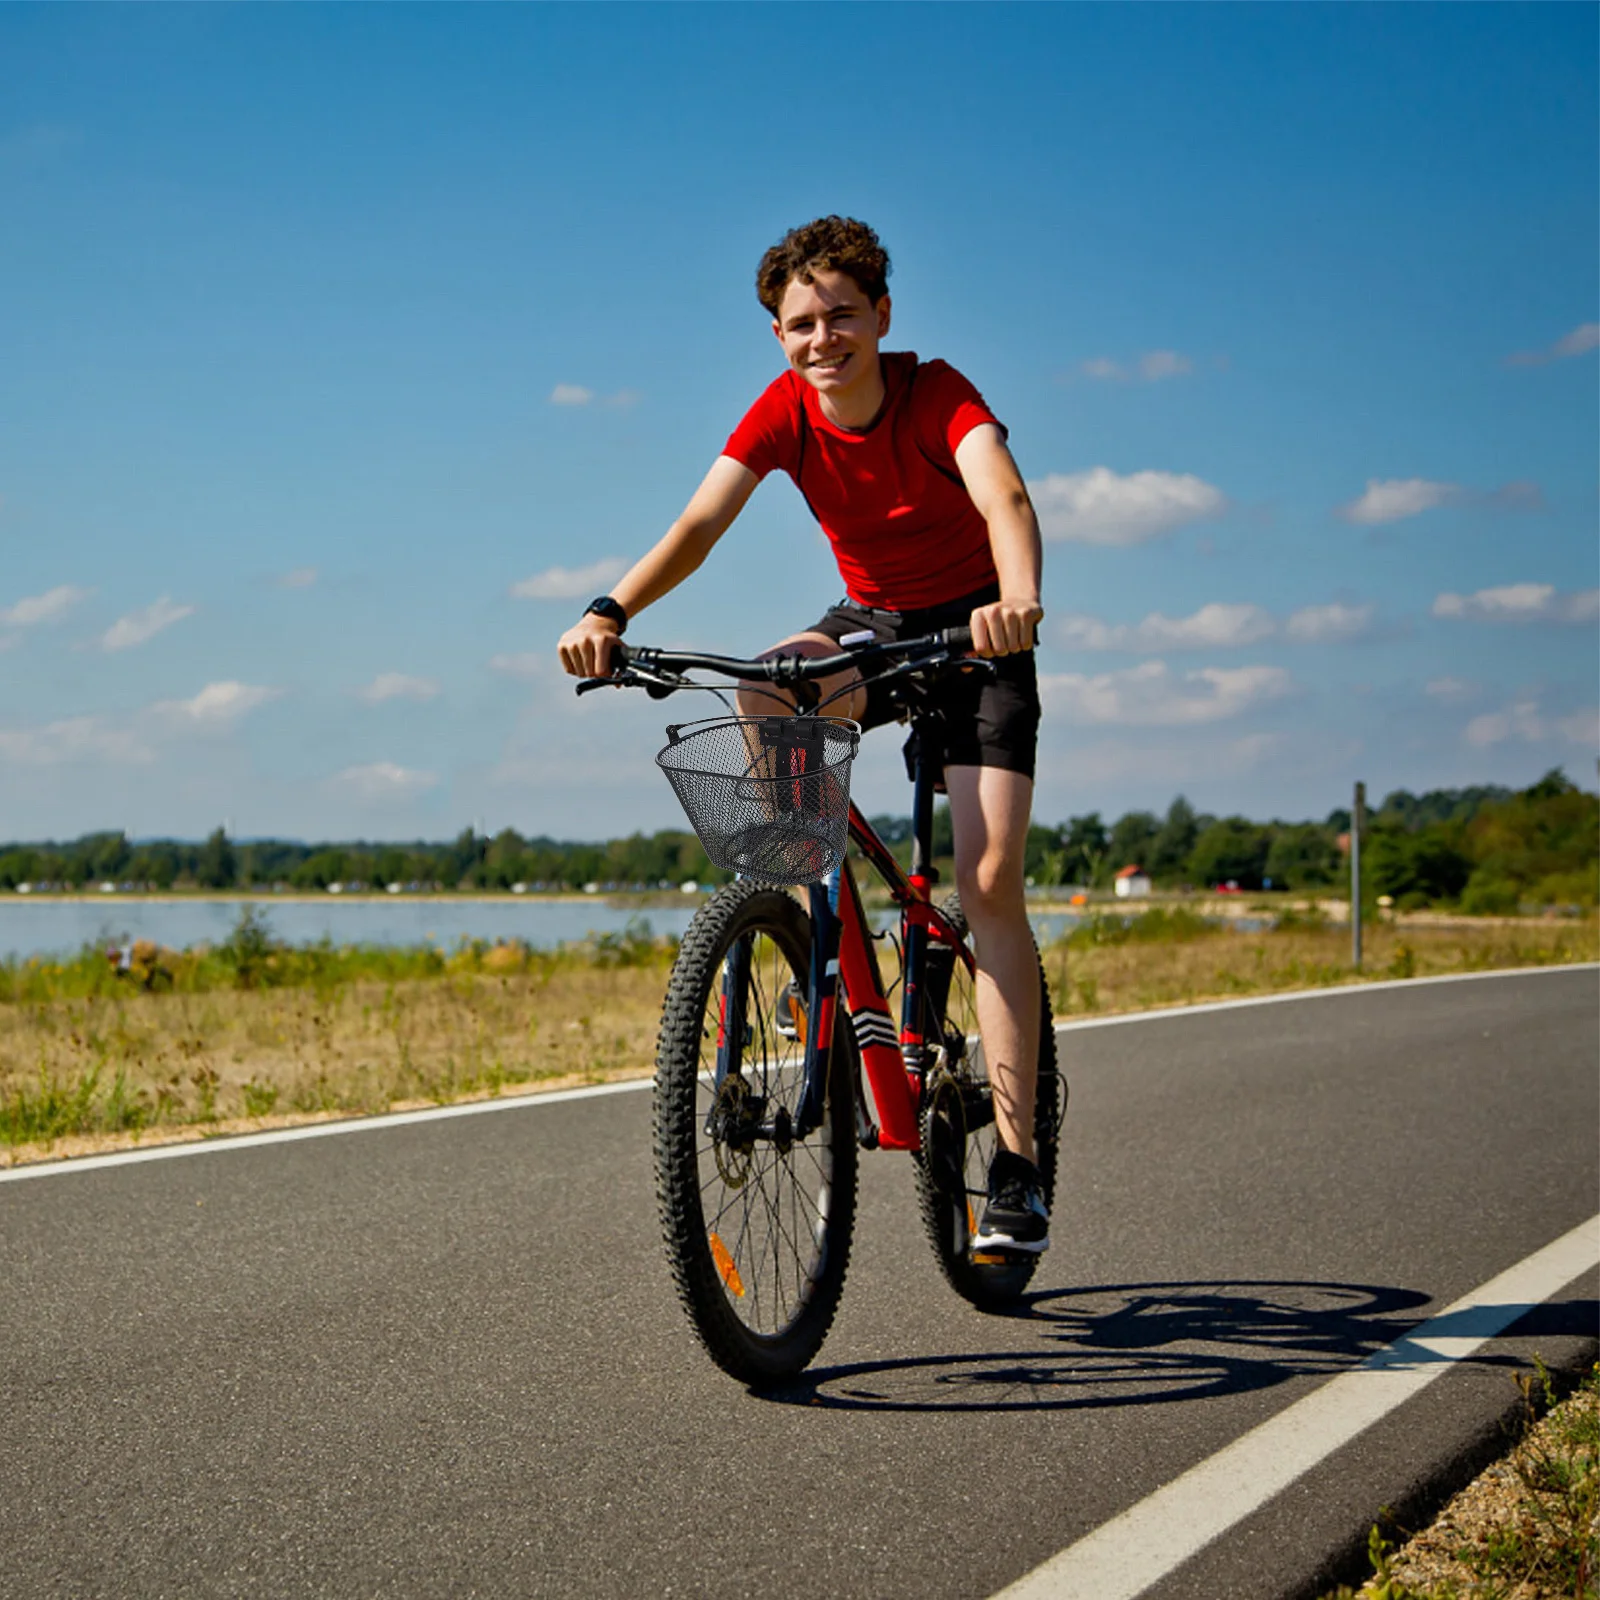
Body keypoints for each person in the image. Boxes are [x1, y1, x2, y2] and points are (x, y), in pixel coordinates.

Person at [557, 216, 1049, 1252]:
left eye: (838, 316)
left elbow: (1000, 490)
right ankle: (815, 931)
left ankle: (1014, 1166)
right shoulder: (786, 410)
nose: (820, 338)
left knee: (988, 878)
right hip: (871, 622)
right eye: (797, 323)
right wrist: (611, 611)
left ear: (879, 315)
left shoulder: (935, 392)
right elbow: (697, 525)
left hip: (975, 631)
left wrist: (1018, 598)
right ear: (776, 335)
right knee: (772, 679)